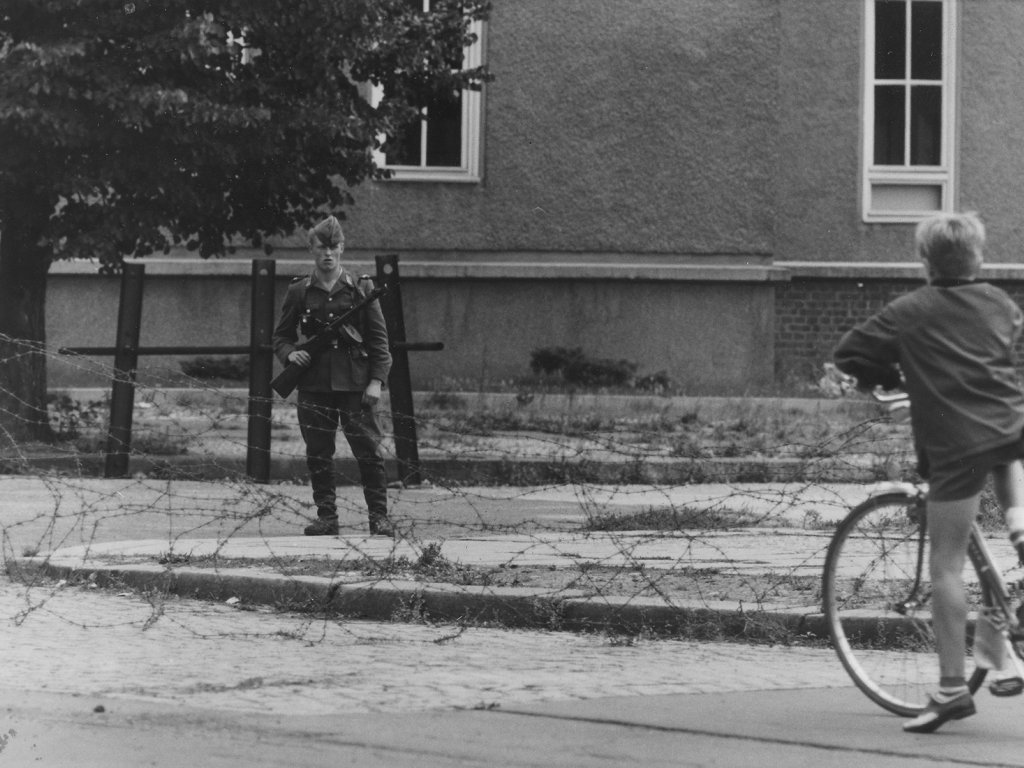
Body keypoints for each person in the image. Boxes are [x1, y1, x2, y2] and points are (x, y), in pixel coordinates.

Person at [834, 211, 1024, 734]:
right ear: (978, 258)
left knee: (946, 567)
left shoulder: (909, 311)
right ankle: (1019, 526)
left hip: (956, 443)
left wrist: (895, 375)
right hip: (1009, 428)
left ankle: (951, 688)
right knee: (1007, 452)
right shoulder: (1001, 303)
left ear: (924, 261)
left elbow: (849, 354)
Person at [272, 215, 395, 537]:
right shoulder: (299, 291)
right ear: (311, 250)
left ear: (342, 248)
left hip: (355, 384)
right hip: (314, 383)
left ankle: (379, 518)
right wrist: (289, 354)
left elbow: (379, 342)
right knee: (318, 453)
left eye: (333, 247)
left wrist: (376, 381)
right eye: (321, 247)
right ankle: (327, 517)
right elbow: (281, 336)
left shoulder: (361, 289)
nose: (327, 253)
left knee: (368, 452)